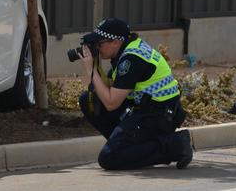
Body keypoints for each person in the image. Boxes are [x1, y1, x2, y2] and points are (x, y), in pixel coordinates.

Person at [76, 17, 193, 170]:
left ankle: (175, 145)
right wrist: (95, 64)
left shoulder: (131, 59)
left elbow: (111, 103)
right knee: (88, 100)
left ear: (116, 42)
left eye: (100, 44)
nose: (97, 48)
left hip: (158, 115)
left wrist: (91, 70)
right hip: (144, 109)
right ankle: (129, 149)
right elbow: (108, 90)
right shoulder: (125, 50)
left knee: (109, 158)